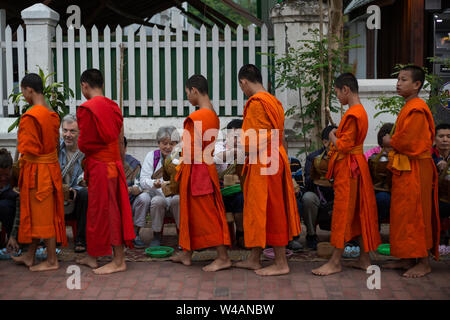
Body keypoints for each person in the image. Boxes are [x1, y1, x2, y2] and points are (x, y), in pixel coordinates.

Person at [234, 64, 301, 276]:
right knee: (258, 209)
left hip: (265, 161)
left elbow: (252, 141)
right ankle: (255, 258)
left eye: (241, 86)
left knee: (271, 209)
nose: (242, 90)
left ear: (244, 82)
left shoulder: (256, 103)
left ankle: (281, 262)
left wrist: (237, 146)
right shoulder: (274, 101)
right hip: (275, 157)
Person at [312, 73, 381, 276]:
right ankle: (365, 259)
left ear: (346, 90)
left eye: (337, 93)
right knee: (358, 213)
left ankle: (335, 262)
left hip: (350, 168)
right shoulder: (360, 111)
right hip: (357, 166)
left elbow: (344, 145)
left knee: (342, 214)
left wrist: (332, 135)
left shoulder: (353, 114)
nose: (337, 97)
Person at [75, 68, 135, 275]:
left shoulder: (87, 109)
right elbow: (119, 140)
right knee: (100, 212)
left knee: (108, 213)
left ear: (84, 85)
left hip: (100, 167)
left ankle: (119, 260)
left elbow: (84, 144)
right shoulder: (113, 107)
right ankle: (93, 256)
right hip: (114, 164)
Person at [171, 74, 232, 272]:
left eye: (187, 93)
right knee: (191, 213)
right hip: (206, 168)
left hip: (196, 170)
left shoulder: (196, 117)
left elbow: (189, 151)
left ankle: (223, 257)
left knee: (208, 215)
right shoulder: (213, 115)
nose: (188, 97)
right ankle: (187, 254)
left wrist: (176, 166)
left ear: (194, 91)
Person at [384, 65, 440, 278]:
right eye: (398, 79)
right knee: (403, 215)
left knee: (416, 215)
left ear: (417, 84)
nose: (398, 83)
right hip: (406, 169)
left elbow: (410, 142)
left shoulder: (417, 108)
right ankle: (407, 258)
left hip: (416, 169)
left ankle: (423, 262)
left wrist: (391, 141)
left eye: (404, 79)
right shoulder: (410, 106)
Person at [11, 73, 67, 271]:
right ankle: (30, 255)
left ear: (29, 90)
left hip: (38, 172)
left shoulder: (31, 116)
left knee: (43, 216)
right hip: (50, 169)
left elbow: (28, 148)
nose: (24, 96)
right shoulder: (52, 115)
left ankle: (52, 260)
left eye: (24, 92)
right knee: (40, 214)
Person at [138, 126, 181, 248]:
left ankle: (182, 234)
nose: (168, 147)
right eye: (164, 143)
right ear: (158, 143)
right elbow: (143, 180)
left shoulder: (181, 157)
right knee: (157, 201)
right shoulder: (152, 156)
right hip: (158, 194)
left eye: (172, 143)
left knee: (178, 200)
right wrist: (154, 183)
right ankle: (156, 234)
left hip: (175, 194)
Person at [301, 125, 336, 250]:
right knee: (307, 198)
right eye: (335, 138)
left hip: (337, 195)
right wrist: (319, 173)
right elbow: (309, 182)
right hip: (319, 196)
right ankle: (311, 235)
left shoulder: (343, 156)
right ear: (325, 142)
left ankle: (348, 237)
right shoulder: (313, 157)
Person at [214, 119, 245, 248]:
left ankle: (240, 232)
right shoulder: (219, 146)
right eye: (234, 137)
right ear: (227, 136)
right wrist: (233, 152)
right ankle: (224, 238)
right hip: (220, 190)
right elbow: (215, 158)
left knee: (242, 200)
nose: (237, 141)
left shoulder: (247, 150)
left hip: (239, 190)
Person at [59, 114, 88, 253]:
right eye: (65, 130)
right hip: (57, 194)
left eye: (72, 131)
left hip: (76, 199)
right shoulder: (56, 149)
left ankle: (81, 239)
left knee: (85, 194)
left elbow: (87, 179)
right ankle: (52, 237)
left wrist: (74, 189)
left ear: (80, 132)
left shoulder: (86, 152)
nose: (68, 135)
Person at [364, 122, 394, 226]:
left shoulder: (400, 154)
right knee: (381, 198)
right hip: (376, 191)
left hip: (396, 191)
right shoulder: (371, 154)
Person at [122, 136, 147, 249]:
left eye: (120, 146)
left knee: (144, 198)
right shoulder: (103, 162)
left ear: (125, 148)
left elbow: (140, 186)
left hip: (129, 201)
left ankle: (135, 234)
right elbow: (83, 180)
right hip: (110, 203)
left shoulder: (133, 164)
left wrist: (130, 189)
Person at [431, 123, 450, 245]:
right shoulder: (428, 156)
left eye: (448, 136)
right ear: (434, 139)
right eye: (441, 136)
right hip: (435, 198)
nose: (445, 140)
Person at [0, 149, 18, 244]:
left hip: (10, 211)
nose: (3, 178)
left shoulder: (15, 177)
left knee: (4, 206)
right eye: (0, 175)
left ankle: (13, 238)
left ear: (11, 169)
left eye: (6, 175)